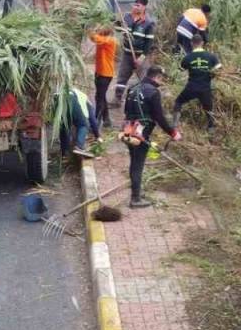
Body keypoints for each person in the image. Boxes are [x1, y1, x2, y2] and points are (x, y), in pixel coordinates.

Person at [121, 66, 180, 208]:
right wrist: (173, 132)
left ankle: (136, 193)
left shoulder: (133, 88)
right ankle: (135, 199)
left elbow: (126, 111)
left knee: (134, 161)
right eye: (161, 79)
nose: (161, 82)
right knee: (137, 164)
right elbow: (159, 117)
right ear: (157, 76)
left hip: (129, 131)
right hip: (141, 134)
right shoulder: (153, 92)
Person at [113, 0, 156, 106]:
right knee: (122, 77)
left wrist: (141, 58)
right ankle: (117, 99)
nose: (136, 7)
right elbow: (118, 28)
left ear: (144, 7)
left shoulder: (148, 23)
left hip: (141, 56)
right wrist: (117, 22)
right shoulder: (127, 17)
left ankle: (147, 102)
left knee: (144, 79)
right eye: (135, 5)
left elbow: (148, 43)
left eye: (138, 5)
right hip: (127, 54)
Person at [174, 34, 222, 132]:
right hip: (205, 88)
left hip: (191, 87)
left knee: (178, 102)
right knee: (209, 110)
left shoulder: (188, 57)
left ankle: (175, 125)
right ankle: (211, 129)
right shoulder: (211, 56)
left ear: (192, 44)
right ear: (202, 43)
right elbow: (219, 69)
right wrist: (212, 74)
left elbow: (181, 70)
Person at [90, 25, 119, 128]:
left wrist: (92, 29)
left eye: (101, 28)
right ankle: (106, 120)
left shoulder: (110, 40)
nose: (99, 30)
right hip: (99, 72)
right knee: (101, 96)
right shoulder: (103, 39)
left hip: (106, 74)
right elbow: (94, 38)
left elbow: (94, 38)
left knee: (99, 98)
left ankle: (95, 123)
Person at [61, 87, 100, 159]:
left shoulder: (79, 94)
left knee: (65, 127)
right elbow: (92, 120)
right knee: (83, 125)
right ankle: (79, 146)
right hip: (70, 99)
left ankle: (64, 154)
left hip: (60, 99)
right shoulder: (87, 102)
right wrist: (98, 136)